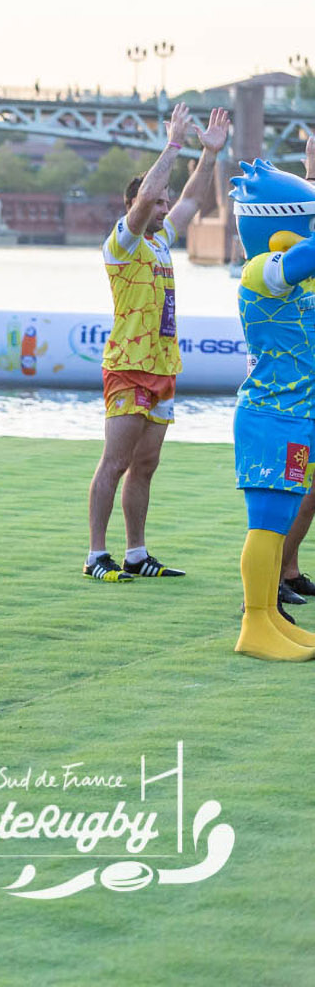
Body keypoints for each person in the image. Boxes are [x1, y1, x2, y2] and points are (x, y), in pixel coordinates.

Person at [84, 104, 227, 582]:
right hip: (128, 366)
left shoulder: (163, 241)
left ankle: (136, 553)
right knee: (116, 462)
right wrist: (172, 144)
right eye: (157, 204)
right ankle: (95, 555)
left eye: (165, 204)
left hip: (164, 368)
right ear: (136, 206)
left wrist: (208, 155)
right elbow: (150, 195)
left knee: (145, 465)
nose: (166, 209)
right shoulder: (122, 243)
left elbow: (191, 198)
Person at [227, 159, 315, 661]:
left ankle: (272, 619)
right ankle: (255, 624)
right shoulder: (261, 272)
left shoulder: (297, 281)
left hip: (298, 417)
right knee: (266, 523)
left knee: (280, 523)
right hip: (270, 419)